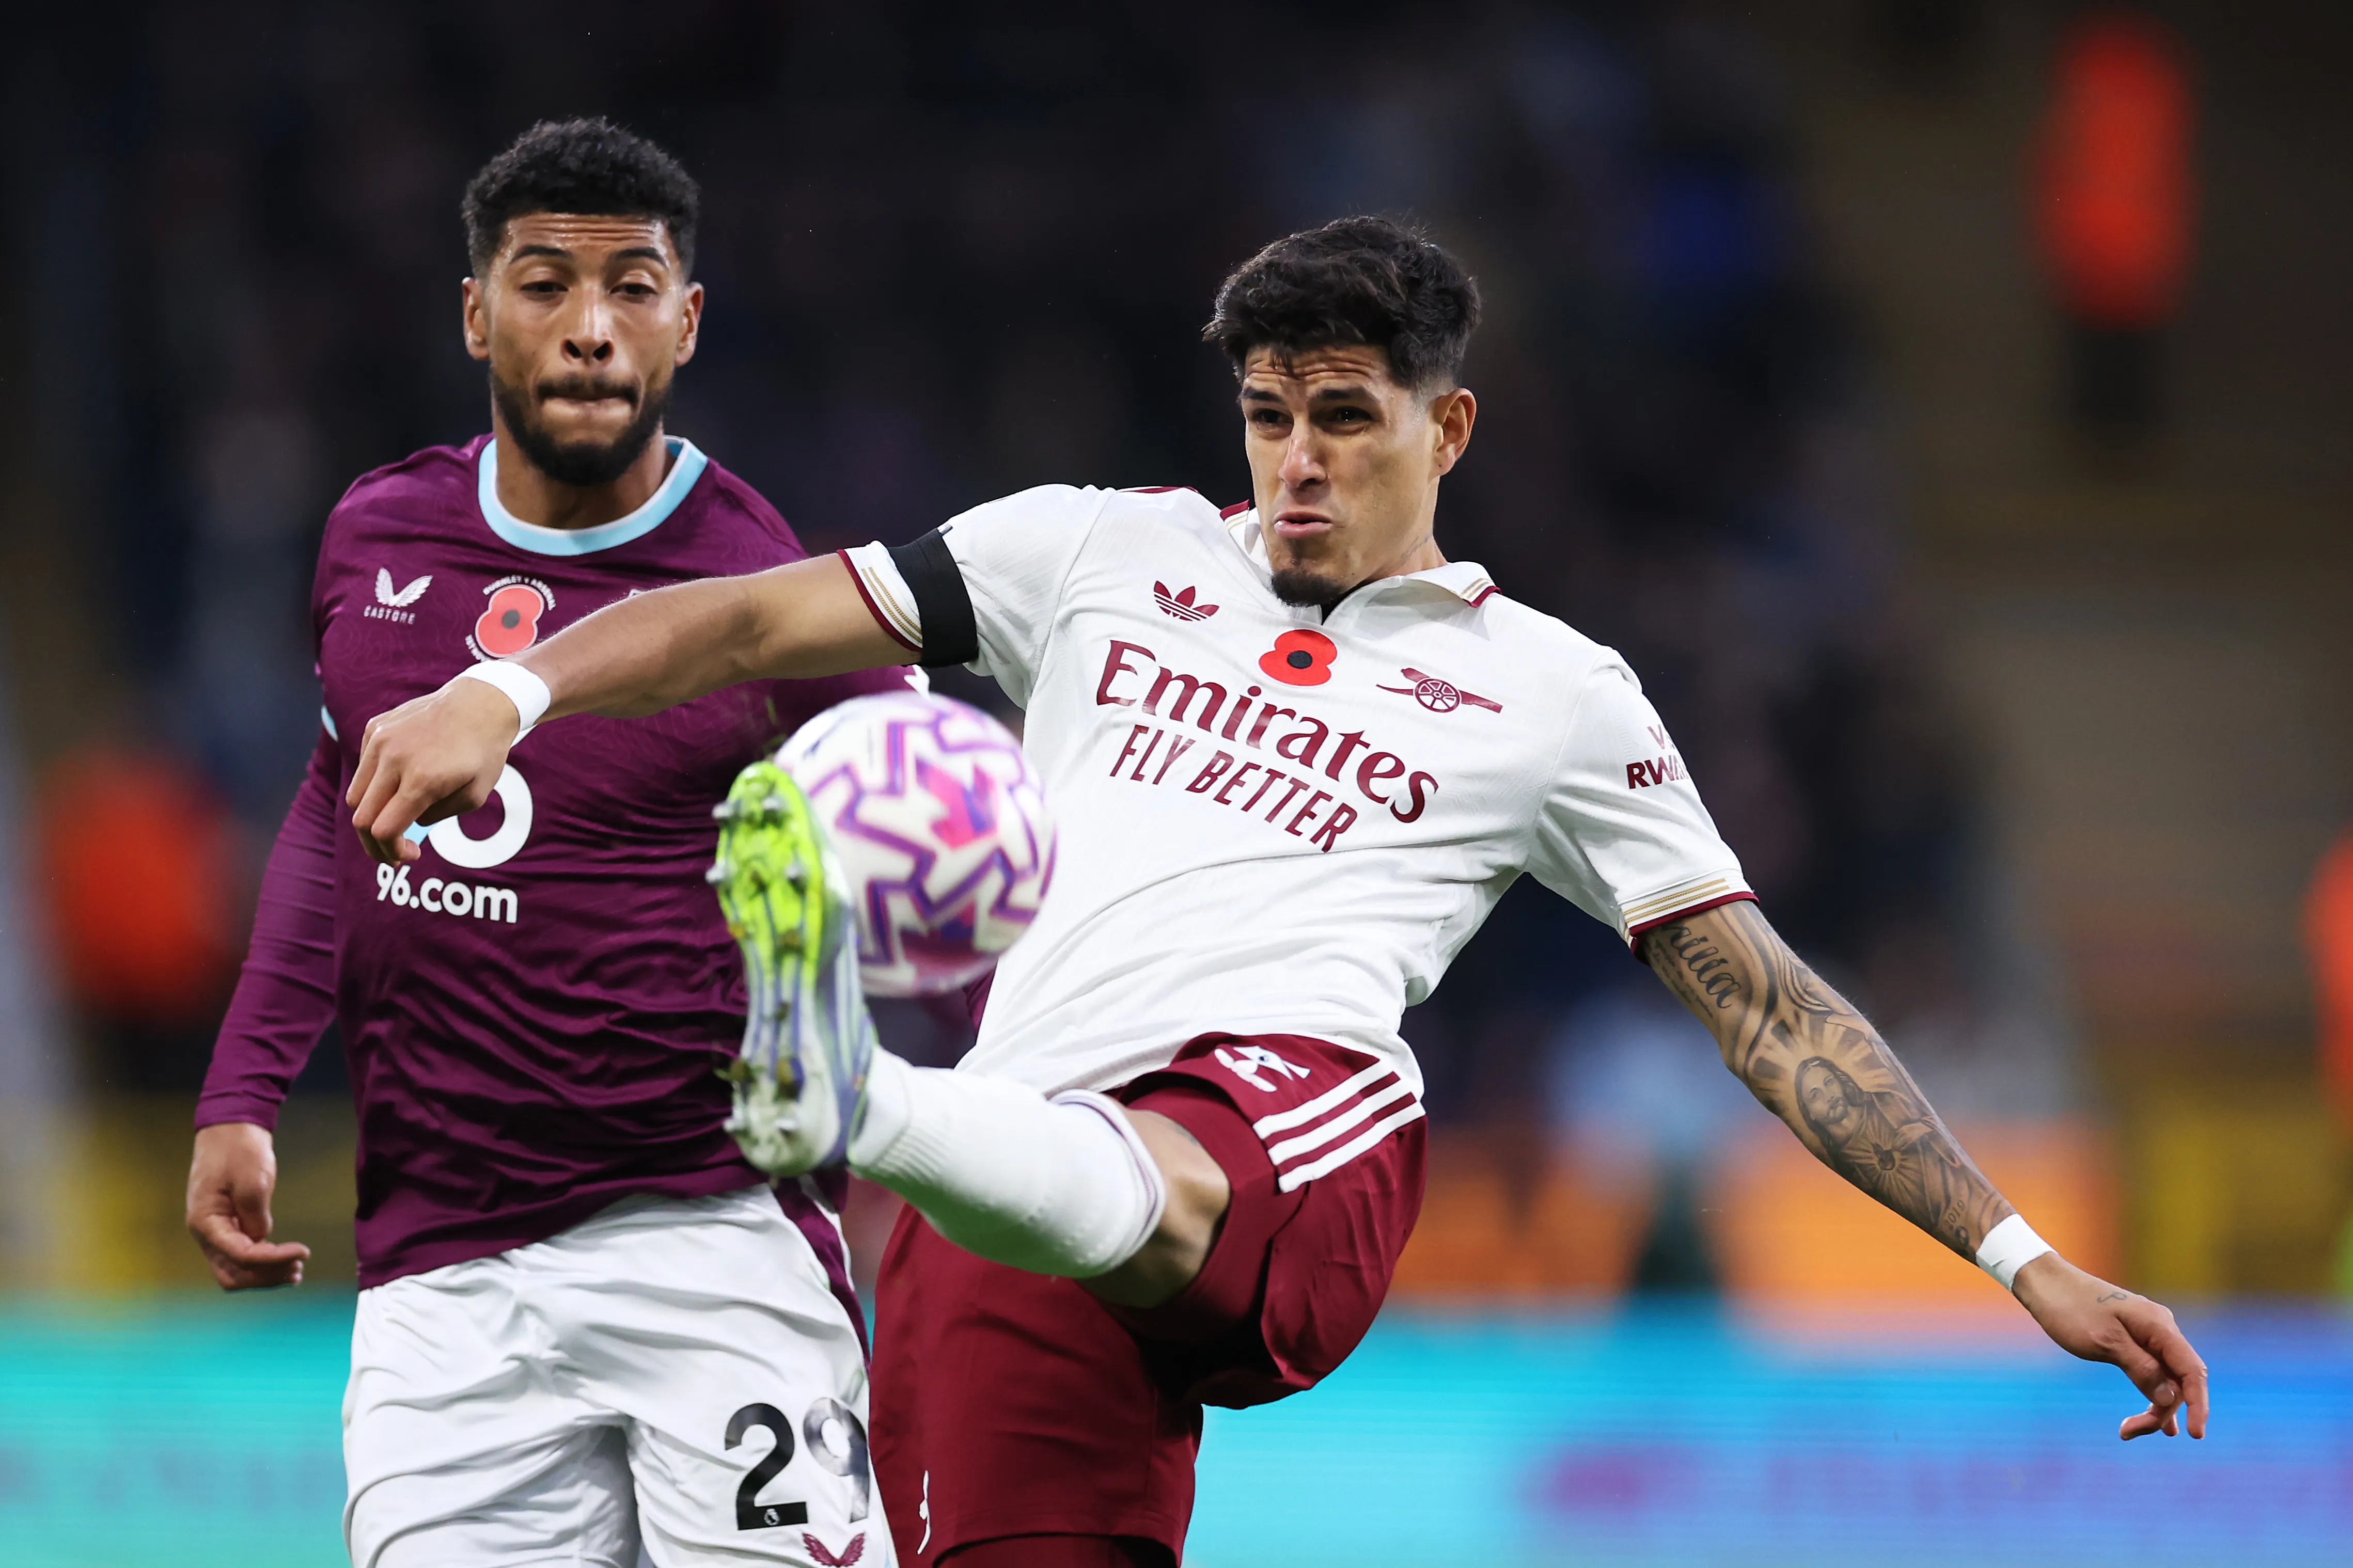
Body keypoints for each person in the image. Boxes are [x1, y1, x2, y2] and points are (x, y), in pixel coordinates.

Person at [346, 216, 2212, 1568]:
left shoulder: (1553, 692)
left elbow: (1764, 1003)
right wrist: (502, 687)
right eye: (1265, 417)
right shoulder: (1095, 551)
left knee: (1230, 1128)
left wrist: (2017, 1256)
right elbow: (749, 613)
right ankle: (885, 1113)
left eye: (1343, 416)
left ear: (1446, 430)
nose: (1297, 462)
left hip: (1284, 1124)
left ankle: (856, 1096)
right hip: (999, 1200)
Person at [185, 119, 911, 1568]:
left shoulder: (761, 589)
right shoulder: (372, 538)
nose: (589, 329)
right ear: (475, 311)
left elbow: (927, 824)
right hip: (439, 1275)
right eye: (543, 284)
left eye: (632, 286)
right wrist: (242, 1088)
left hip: (715, 1238)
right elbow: (340, 808)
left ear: (687, 321)